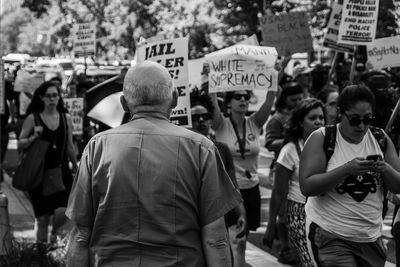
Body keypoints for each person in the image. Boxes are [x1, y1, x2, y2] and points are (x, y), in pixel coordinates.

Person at [66, 61, 242, 267]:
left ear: (124, 103)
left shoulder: (97, 147)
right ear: (175, 100)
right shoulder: (201, 148)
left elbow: (80, 236)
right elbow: (216, 239)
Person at [299, 84, 400, 267]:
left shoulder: (380, 139)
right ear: (340, 113)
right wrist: (346, 170)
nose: (362, 126)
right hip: (331, 233)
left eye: (367, 119)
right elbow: (307, 186)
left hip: (370, 237)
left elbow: (398, 185)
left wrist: (384, 168)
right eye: (354, 120)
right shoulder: (322, 138)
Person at [210, 84, 276, 264]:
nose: (243, 100)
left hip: (251, 188)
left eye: (246, 97)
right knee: (228, 233)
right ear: (229, 102)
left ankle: (239, 261)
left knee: (243, 233)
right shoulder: (221, 123)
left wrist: (276, 74)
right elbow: (212, 101)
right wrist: (211, 79)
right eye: (238, 97)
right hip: (228, 189)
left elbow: (270, 100)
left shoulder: (254, 122)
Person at [264, 98, 324, 267]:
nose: (318, 121)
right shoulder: (289, 151)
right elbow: (278, 192)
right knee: (310, 261)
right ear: (300, 122)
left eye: (321, 117)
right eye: (312, 118)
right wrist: (270, 226)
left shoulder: (331, 147)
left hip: (326, 211)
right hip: (299, 213)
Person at [190, 91, 247, 267]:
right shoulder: (182, 150)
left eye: (205, 116)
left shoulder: (222, 148)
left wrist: (241, 212)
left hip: (220, 216)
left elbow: (232, 184)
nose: (201, 121)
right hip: (192, 218)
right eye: (195, 117)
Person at [18, 81, 78, 244]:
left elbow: (70, 146)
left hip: (61, 170)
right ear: (42, 98)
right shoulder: (33, 118)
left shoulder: (66, 118)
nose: (52, 99)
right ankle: (41, 254)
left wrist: (77, 167)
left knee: (65, 211)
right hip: (39, 172)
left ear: (59, 98)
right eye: (49, 96)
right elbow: (20, 143)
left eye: (55, 95)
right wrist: (33, 137)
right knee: (42, 218)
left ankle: (55, 231)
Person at [264, 81, 304, 263]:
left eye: (300, 99)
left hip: (299, 168)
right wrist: (288, 140)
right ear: (284, 100)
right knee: (282, 210)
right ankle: (286, 247)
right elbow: (270, 144)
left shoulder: (302, 115)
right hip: (281, 167)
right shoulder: (276, 120)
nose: (297, 102)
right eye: (293, 99)